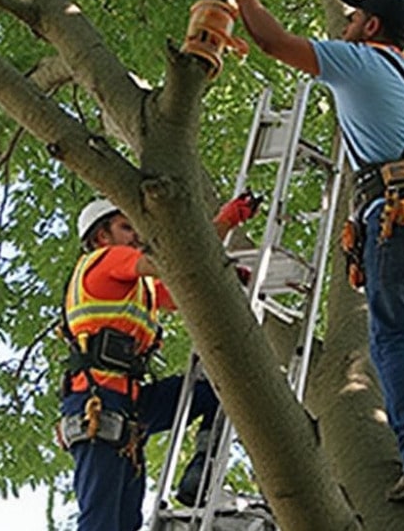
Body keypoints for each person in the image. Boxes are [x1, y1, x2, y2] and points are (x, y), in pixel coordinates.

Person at [206, 0, 404, 502]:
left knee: (392, 337)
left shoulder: (358, 62)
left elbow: (271, 42)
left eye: (355, 18)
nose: (348, 25)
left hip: (401, 218)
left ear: (373, 27)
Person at [58, 194, 257, 530]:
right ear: (101, 237)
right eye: (125, 227)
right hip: (99, 404)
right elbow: (179, 261)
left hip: (131, 406)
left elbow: (187, 286)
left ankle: (201, 474)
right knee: (103, 521)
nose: (135, 234)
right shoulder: (107, 260)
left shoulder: (140, 286)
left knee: (221, 390)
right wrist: (225, 220)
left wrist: (224, 278)